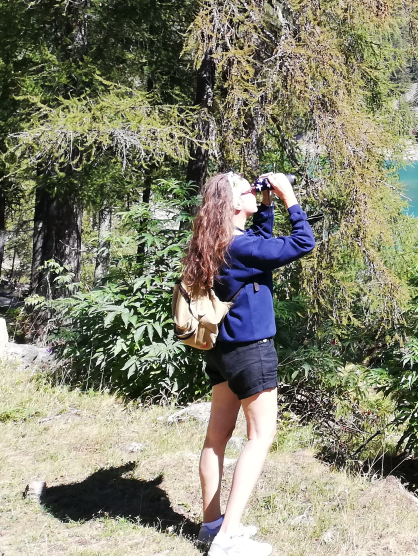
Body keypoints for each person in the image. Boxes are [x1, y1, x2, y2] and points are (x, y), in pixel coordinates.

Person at [181, 171, 314, 556]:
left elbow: (260, 243)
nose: (254, 192)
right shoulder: (240, 249)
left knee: (216, 438)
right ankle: (228, 538)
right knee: (260, 437)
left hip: (222, 353)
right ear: (235, 204)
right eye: (247, 190)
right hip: (251, 352)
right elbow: (303, 242)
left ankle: (212, 525)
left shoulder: (219, 242)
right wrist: (289, 197)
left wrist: (266, 206)